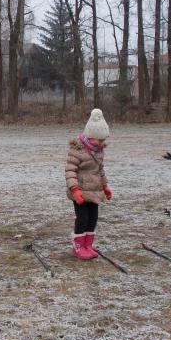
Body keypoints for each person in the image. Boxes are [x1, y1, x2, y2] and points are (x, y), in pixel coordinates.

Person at [65, 108, 113, 260]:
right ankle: (78, 247)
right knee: (82, 219)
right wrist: (75, 189)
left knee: (93, 218)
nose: (101, 143)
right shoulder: (77, 151)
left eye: (103, 140)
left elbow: (100, 170)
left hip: (95, 192)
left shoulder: (99, 151)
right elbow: (70, 171)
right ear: (90, 136)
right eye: (99, 140)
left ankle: (88, 245)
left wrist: (105, 186)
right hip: (80, 192)